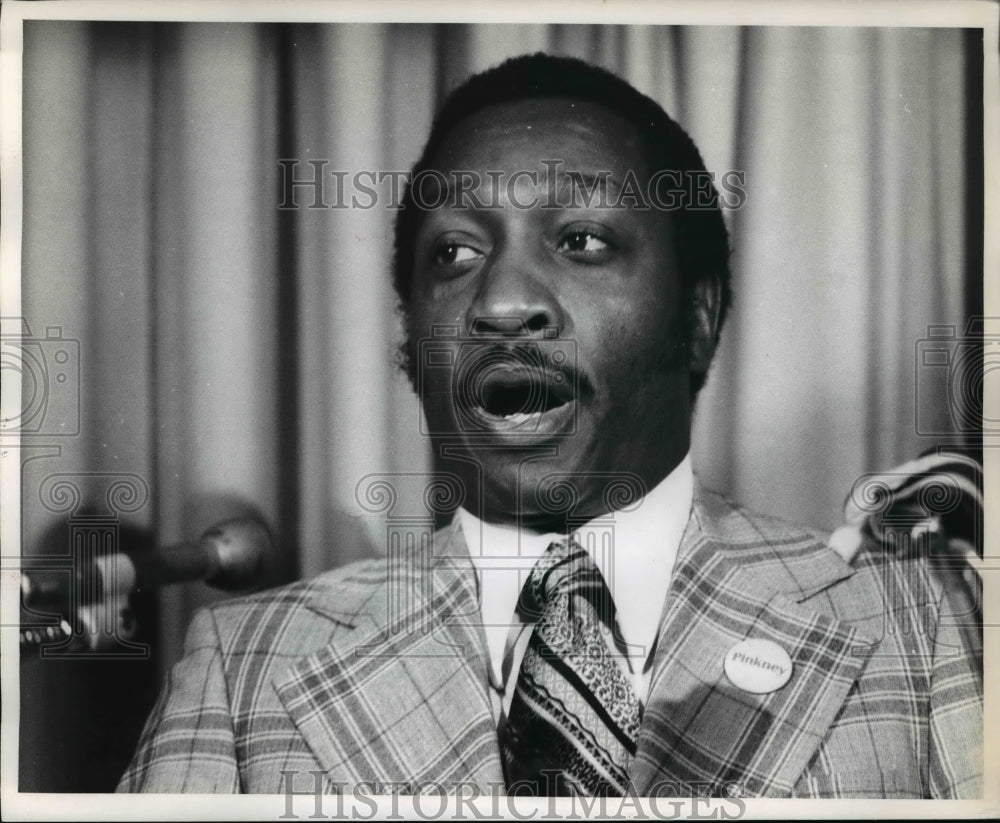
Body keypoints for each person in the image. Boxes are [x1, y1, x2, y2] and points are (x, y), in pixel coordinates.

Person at [118, 53, 982, 799]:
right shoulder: (247, 666)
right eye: (455, 253)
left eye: (580, 240)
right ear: (412, 344)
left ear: (697, 318)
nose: (502, 302)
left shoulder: (917, 621)